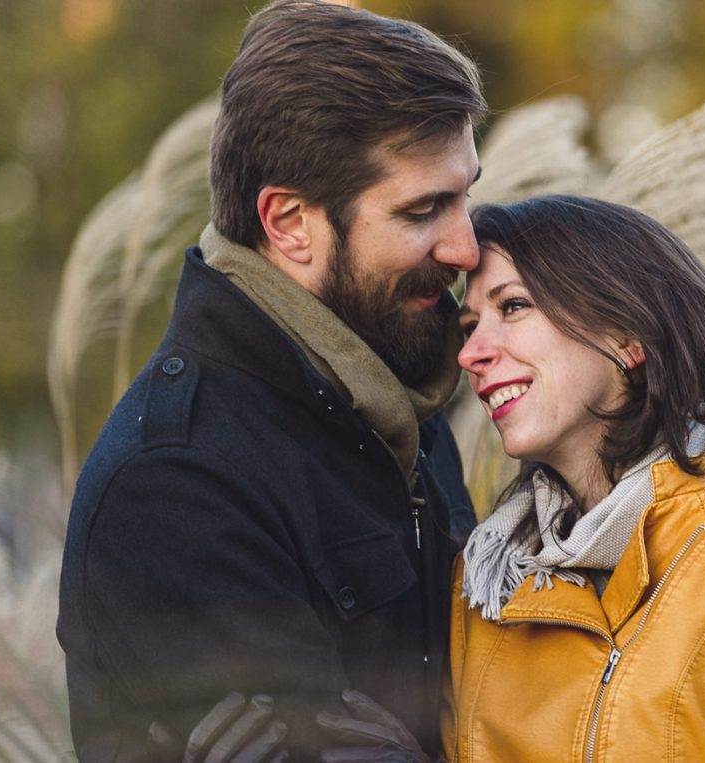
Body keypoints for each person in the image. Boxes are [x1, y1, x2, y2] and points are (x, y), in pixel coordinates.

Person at [55, 1, 486, 759]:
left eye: (465, 197)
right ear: (289, 222)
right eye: (425, 210)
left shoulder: (399, 393)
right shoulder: (178, 481)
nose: (466, 247)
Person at [446, 196, 705, 761]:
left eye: (514, 306)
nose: (471, 353)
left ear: (629, 336)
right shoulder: (484, 582)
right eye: (470, 325)